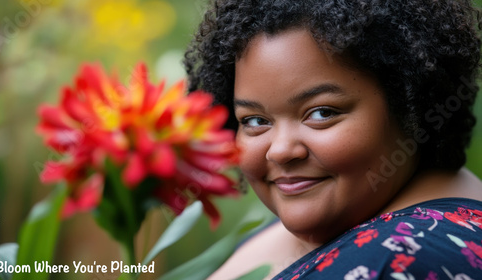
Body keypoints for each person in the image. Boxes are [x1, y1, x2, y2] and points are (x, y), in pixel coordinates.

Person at [184, 0, 482, 279]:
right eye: (255, 121)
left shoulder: (386, 261)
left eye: (322, 113)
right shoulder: (354, 214)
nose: (280, 151)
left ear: (412, 104)